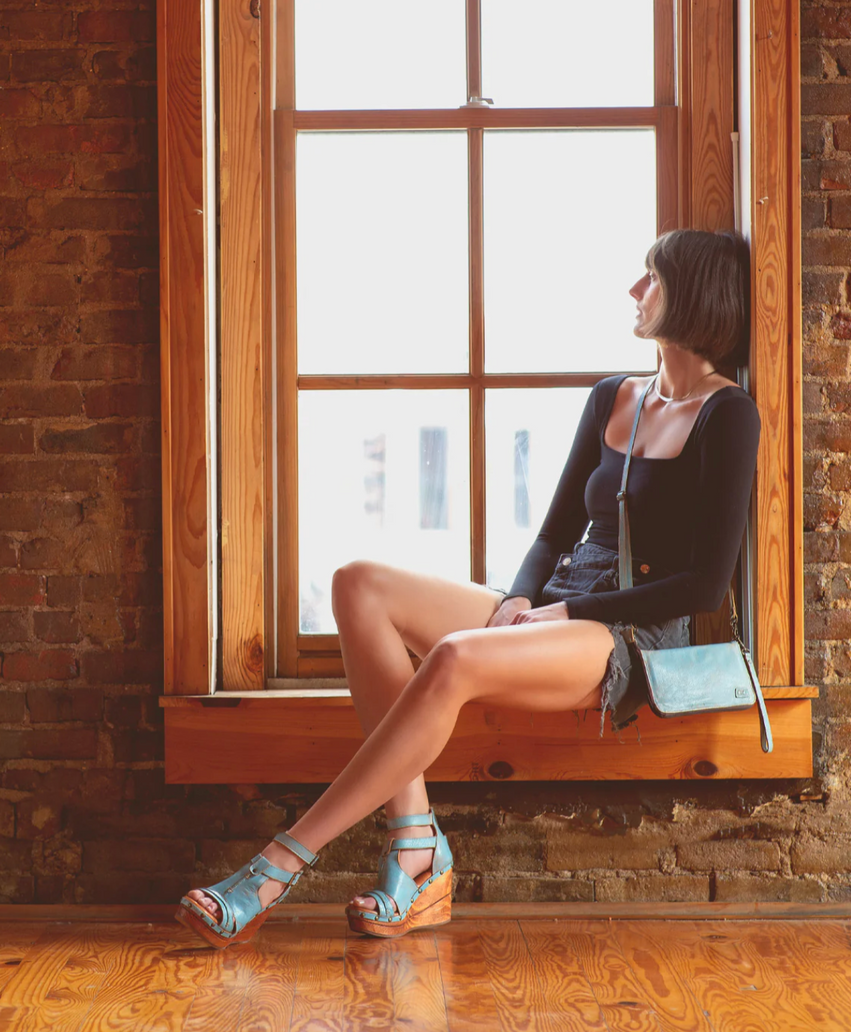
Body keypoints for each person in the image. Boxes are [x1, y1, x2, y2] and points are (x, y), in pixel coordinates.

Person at [175, 228, 761, 948]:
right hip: (557, 603)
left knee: (453, 654)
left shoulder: (729, 414)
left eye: (653, 278)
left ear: (693, 294)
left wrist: (567, 610)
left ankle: (279, 864)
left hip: (628, 634)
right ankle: (416, 847)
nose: (635, 291)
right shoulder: (615, 396)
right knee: (358, 584)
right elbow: (553, 532)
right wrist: (519, 598)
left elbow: (703, 587)